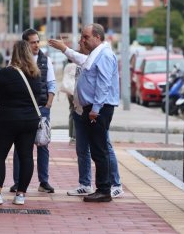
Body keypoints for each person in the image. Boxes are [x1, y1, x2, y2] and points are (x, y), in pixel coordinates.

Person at [49, 23, 119, 202]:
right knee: (97, 149)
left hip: (99, 109)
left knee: (99, 149)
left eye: (86, 37)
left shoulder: (103, 55)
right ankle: (102, 188)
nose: (83, 40)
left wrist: (95, 109)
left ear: (97, 37)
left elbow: (103, 84)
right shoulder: (96, 54)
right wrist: (65, 49)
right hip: (93, 108)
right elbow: (81, 59)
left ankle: (104, 189)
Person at [0, 40, 41, 205]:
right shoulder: (35, 73)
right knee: (26, 156)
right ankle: (20, 195)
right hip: (30, 120)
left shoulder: (7, 72)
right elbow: (40, 96)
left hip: (8, 120)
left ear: (14, 54)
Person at [10, 28, 56, 194]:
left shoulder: (46, 60)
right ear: (25, 44)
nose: (36, 45)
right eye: (33, 42)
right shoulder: (17, 62)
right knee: (20, 145)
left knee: (43, 144)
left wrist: (48, 105)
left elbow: (51, 84)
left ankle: (44, 181)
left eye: (38, 41)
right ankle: (18, 182)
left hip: (42, 109)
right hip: (22, 109)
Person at [60, 59, 77, 144]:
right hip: (74, 92)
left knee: (71, 111)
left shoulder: (67, 66)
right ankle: (74, 135)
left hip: (68, 91)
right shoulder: (75, 66)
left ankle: (71, 135)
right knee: (76, 112)